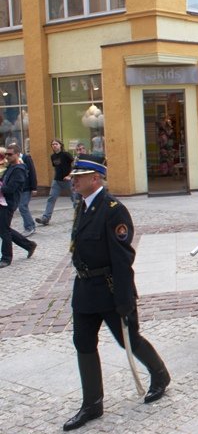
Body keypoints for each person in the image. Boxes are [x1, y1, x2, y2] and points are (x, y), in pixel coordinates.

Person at [63, 154, 169, 431]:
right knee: (83, 342)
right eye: (74, 176)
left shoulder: (113, 210)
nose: (74, 181)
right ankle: (92, 403)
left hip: (110, 288)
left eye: (79, 176)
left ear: (95, 178)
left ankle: (160, 375)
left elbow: (123, 259)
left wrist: (124, 299)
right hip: (85, 288)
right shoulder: (83, 205)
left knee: (128, 339)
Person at [0, 144, 37, 268]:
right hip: (3, 201)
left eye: (10, 154)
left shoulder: (19, 170)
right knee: (4, 228)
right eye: (6, 154)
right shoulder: (11, 167)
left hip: (9, 203)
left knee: (4, 230)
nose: (7, 156)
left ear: (17, 154)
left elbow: (11, 188)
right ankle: (29, 245)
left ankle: (6, 258)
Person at [36, 139, 75, 226]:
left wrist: (70, 176)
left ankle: (79, 215)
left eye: (56, 144)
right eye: (53, 144)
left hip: (68, 181)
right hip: (57, 181)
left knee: (75, 198)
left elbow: (74, 165)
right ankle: (45, 218)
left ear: (60, 145)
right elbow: (56, 167)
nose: (54, 145)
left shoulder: (66, 154)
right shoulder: (52, 156)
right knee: (51, 198)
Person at [18, 145, 38, 237]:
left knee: (22, 207)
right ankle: (31, 226)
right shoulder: (12, 161)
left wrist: (34, 187)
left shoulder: (26, 158)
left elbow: (32, 172)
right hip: (19, 188)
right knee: (22, 207)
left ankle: (29, 227)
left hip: (27, 187)